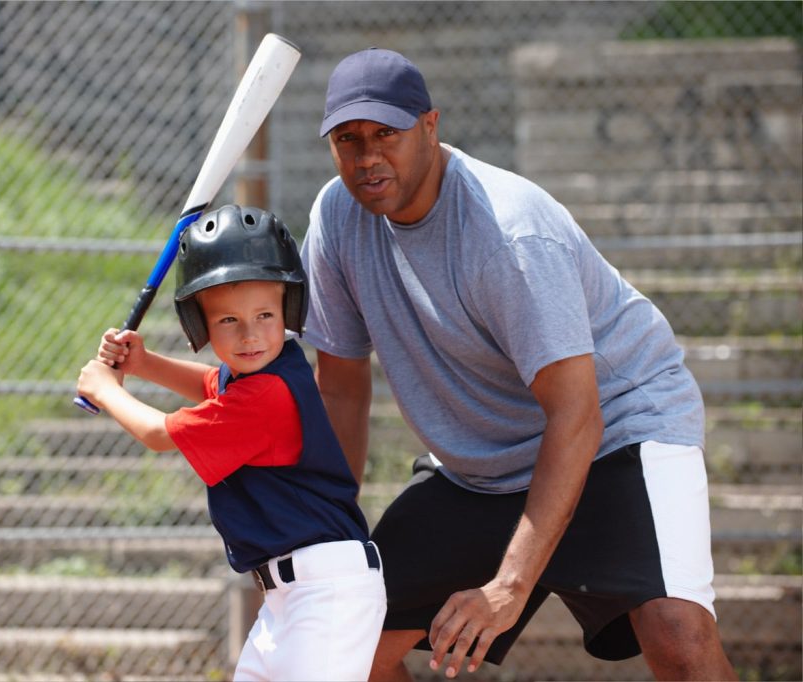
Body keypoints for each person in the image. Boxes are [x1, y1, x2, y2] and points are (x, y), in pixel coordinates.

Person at [301, 47, 737, 681]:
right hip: (483, 466)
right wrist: (329, 534)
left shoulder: (509, 232)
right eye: (348, 140)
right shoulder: (337, 219)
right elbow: (341, 390)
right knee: (340, 640)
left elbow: (577, 415)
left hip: (617, 432)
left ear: (430, 126)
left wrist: (509, 583)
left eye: (386, 134)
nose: (367, 157)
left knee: (679, 640)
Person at [76, 204, 386, 682]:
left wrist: (106, 390)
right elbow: (211, 384)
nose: (249, 335)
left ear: (288, 311)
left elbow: (158, 435)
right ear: (200, 325)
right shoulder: (264, 373)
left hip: (326, 595)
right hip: (290, 596)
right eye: (227, 321)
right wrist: (144, 363)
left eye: (265, 315)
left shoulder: (267, 395)